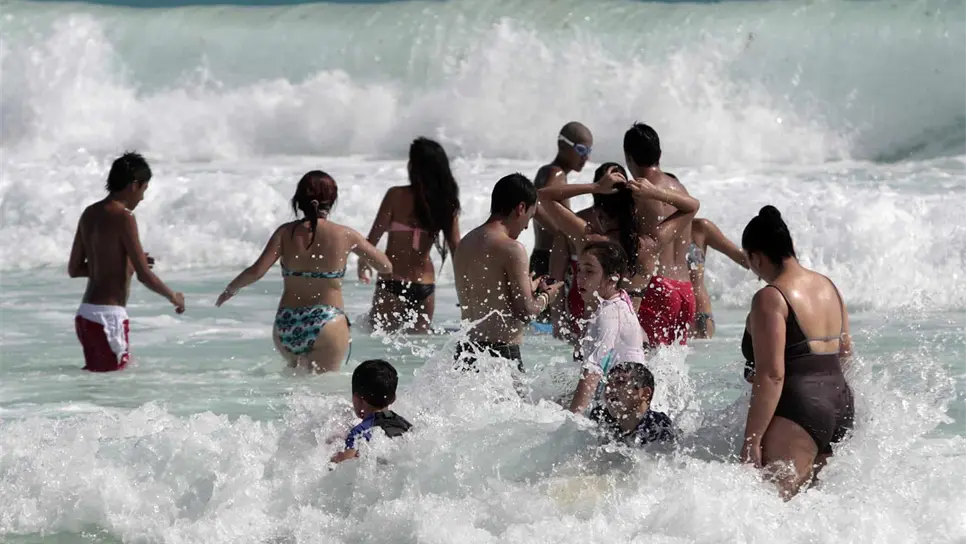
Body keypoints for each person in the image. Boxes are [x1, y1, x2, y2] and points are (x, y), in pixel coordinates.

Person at [215, 171, 392, 372]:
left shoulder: (285, 232)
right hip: (328, 322)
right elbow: (386, 266)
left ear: (298, 200)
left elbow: (256, 271)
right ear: (332, 201)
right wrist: (361, 257)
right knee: (326, 390)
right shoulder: (345, 234)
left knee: (294, 387)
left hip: (286, 323)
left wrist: (230, 289)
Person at [739, 205, 854, 499]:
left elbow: (772, 374)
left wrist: (751, 440)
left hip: (798, 407)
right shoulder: (829, 286)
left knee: (775, 510)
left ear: (757, 256)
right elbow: (846, 352)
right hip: (840, 403)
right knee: (818, 512)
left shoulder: (771, 297)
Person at [538, 164, 699, 339]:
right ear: (634, 210)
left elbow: (544, 196)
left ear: (600, 214)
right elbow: (692, 206)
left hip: (596, 344)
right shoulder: (650, 244)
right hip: (632, 345)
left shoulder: (591, 242)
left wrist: (595, 187)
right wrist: (655, 193)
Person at [68, 152, 185, 372]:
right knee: (114, 389)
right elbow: (145, 275)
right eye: (143, 190)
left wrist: (124, 265)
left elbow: (74, 269)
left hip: (85, 316)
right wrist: (173, 296)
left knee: (100, 386)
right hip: (108, 318)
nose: (142, 198)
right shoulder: (124, 217)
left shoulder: (89, 213)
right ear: (134, 185)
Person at [453, 173, 563, 372]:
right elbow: (527, 311)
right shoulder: (512, 248)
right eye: (529, 216)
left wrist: (527, 289)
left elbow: (488, 295)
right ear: (521, 208)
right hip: (500, 354)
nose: (527, 225)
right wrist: (548, 296)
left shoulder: (465, 243)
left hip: (465, 351)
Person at [359, 138, 461, 333]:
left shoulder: (395, 196)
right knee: (417, 352)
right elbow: (457, 249)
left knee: (382, 345)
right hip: (425, 285)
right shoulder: (446, 203)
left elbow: (372, 239)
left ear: (413, 166)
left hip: (392, 281)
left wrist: (362, 263)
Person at [623, 123, 701, 347]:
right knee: (672, 369)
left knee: (643, 367)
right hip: (685, 290)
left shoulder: (639, 192)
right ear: (659, 154)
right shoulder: (679, 188)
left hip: (656, 289)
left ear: (629, 157)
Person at [567, 241, 648, 414]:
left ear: (613, 277)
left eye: (589, 271)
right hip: (628, 405)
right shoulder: (622, 301)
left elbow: (592, 373)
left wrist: (569, 420)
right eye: (579, 269)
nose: (580, 277)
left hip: (621, 413)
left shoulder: (608, 314)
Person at [530, 122, 593, 279]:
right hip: (549, 259)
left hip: (544, 256)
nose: (585, 157)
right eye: (580, 149)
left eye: (588, 151)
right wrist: (565, 236)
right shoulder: (555, 173)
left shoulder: (551, 172)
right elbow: (535, 207)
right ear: (562, 145)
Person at [331, 359, 413, 464]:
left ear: (357, 399)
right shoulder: (405, 425)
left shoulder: (360, 432)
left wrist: (333, 458)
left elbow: (348, 461)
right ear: (393, 398)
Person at [687, 217, 749, 339]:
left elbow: (743, 258)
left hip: (699, 314)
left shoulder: (700, 228)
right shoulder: (653, 228)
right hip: (664, 310)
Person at [589, 363, 677, 447]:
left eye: (620, 382)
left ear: (644, 394)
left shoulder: (660, 429)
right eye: (607, 383)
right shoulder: (600, 418)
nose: (609, 389)